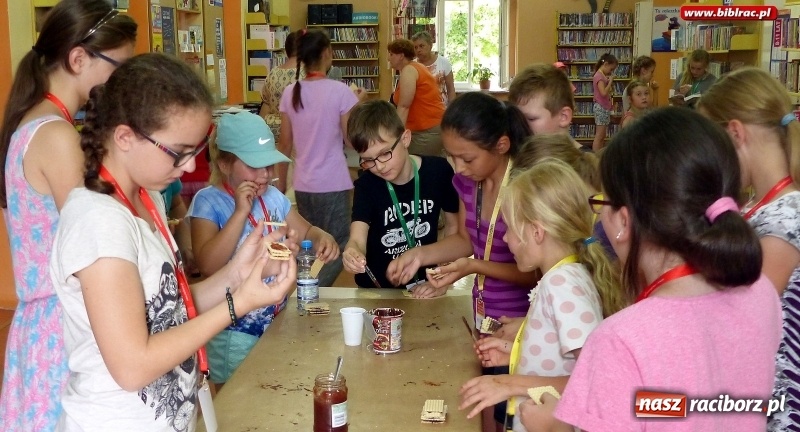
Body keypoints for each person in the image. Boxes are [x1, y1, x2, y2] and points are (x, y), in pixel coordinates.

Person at [50, 53, 297, 430]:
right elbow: (133, 366)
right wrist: (239, 305)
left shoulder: (146, 201)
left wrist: (239, 271)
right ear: (124, 137)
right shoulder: (98, 221)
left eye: (194, 152)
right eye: (178, 153)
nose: (186, 168)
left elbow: (169, 312)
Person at [521, 107, 782, 432]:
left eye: (602, 203)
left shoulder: (619, 341)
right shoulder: (762, 294)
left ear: (623, 221)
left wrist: (552, 425)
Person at [0, 1, 136, 428]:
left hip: (47, 324)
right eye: (120, 69)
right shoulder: (56, 136)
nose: (122, 85)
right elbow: (94, 233)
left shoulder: (39, 122)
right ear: (78, 59)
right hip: (62, 326)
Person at [386, 91, 536, 431]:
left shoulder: (524, 189)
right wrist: (419, 255)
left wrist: (472, 267)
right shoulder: (468, 183)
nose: (458, 168)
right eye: (451, 157)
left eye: (467, 158)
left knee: (512, 414)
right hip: (484, 319)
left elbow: (536, 276)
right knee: (487, 404)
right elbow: (467, 240)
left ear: (501, 145)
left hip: (521, 327)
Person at [459, 159, 623, 432]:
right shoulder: (562, 278)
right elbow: (563, 360)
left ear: (536, 232)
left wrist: (507, 383)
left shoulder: (562, 284)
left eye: (510, 228)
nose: (507, 239)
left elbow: (595, 379)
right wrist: (515, 352)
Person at [188, 111, 339, 383]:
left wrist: (321, 237)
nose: (265, 175)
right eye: (254, 166)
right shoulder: (208, 201)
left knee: (268, 386)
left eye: (268, 166)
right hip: (232, 330)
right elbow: (207, 264)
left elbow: (307, 230)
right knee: (235, 397)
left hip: (274, 319)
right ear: (224, 164)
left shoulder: (273, 197)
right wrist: (239, 213)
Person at [698, 67, 800, 431]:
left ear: (735, 133)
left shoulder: (787, 217)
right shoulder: (752, 207)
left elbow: (745, 316)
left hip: (778, 406)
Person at [342, 100, 459, 295]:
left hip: (425, 284)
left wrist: (441, 278)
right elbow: (357, 238)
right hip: (377, 289)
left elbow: (454, 230)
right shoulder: (366, 185)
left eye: (384, 153)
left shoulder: (439, 172)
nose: (379, 166)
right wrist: (352, 252)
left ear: (405, 138)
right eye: (368, 160)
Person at [278, 28, 363, 288]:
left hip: (303, 183)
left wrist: (280, 186)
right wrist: (358, 103)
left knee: (313, 243)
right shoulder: (340, 92)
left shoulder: (291, 91)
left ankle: (306, 283)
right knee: (337, 244)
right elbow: (352, 139)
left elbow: (283, 144)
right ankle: (308, 286)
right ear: (327, 53)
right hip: (334, 182)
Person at [388, 38, 447, 157]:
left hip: (427, 131)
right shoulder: (415, 67)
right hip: (425, 129)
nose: (389, 58)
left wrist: (395, 138)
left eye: (391, 54)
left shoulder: (409, 70)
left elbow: (404, 106)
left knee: (399, 157)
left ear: (401, 56)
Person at [507, 64, 580, 148]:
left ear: (564, 116)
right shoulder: (524, 155)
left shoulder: (586, 160)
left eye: (531, 119)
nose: (520, 126)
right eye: (517, 118)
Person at [259, 30, 301, 139]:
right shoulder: (307, 75)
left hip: (272, 132)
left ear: (287, 51)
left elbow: (265, 106)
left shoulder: (272, 73)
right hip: (296, 131)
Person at [412, 31, 456, 106]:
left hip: (441, 108)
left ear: (430, 45)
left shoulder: (444, 62)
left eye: (421, 46)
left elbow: (451, 89)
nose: (418, 50)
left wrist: (452, 110)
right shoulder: (412, 67)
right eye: (415, 47)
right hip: (420, 109)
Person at [592, 53, 617, 152]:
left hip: (604, 107)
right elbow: (603, 93)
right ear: (605, 64)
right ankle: (595, 156)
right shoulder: (599, 76)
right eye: (611, 69)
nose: (611, 72)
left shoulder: (602, 75)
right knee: (599, 135)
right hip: (600, 107)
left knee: (602, 136)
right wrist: (610, 81)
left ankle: (599, 155)